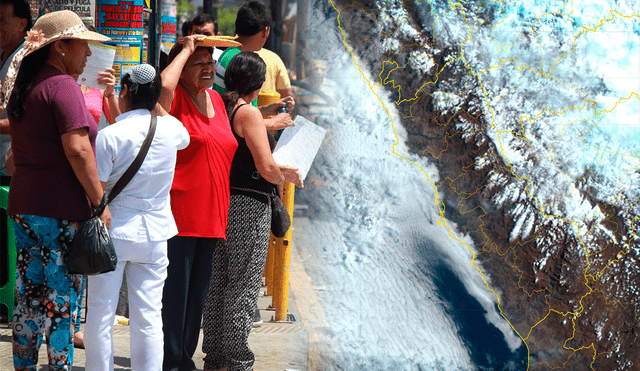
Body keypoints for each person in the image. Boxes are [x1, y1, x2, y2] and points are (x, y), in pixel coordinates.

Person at [3, 10, 111, 370]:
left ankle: (23, 366)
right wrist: (100, 201)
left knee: (29, 295)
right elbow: (78, 150)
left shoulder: (28, 86)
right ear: (60, 47)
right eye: (83, 44)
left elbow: (14, 159)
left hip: (24, 206)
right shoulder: (62, 86)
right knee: (61, 297)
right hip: (59, 209)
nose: (88, 54)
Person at [201, 51, 303, 371]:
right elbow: (266, 166)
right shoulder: (250, 115)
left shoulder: (222, 106)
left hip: (222, 202)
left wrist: (266, 112)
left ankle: (215, 357)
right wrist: (286, 174)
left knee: (218, 282)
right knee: (243, 285)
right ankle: (238, 359)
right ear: (259, 84)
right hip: (249, 206)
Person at [84, 64, 190, 371]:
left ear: (126, 91)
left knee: (101, 314)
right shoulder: (172, 131)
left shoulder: (109, 136)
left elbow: (97, 190)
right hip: (156, 235)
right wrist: (151, 97)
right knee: (148, 316)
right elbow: (173, 131)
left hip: (114, 232)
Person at [158, 34, 239, 371]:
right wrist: (186, 48)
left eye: (210, 62)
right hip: (181, 213)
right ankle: (173, 360)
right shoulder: (174, 97)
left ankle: (184, 359)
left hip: (213, 215)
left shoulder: (217, 101)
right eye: (198, 62)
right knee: (176, 293)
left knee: (197, 298)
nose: (207, 68)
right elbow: (162, 86)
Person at [212, 1, 294, 130]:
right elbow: (232, 121)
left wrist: (267, 109)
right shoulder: (240, 61)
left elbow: (238, 112)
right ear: (265, 31)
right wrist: (272, 123)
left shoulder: (229, 53)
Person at [0, 0, 31, 184]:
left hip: (12, 168)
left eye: (1, 20)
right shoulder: (4, 53)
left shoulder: (28, 62)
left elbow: (29, 121)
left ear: (21, 23)